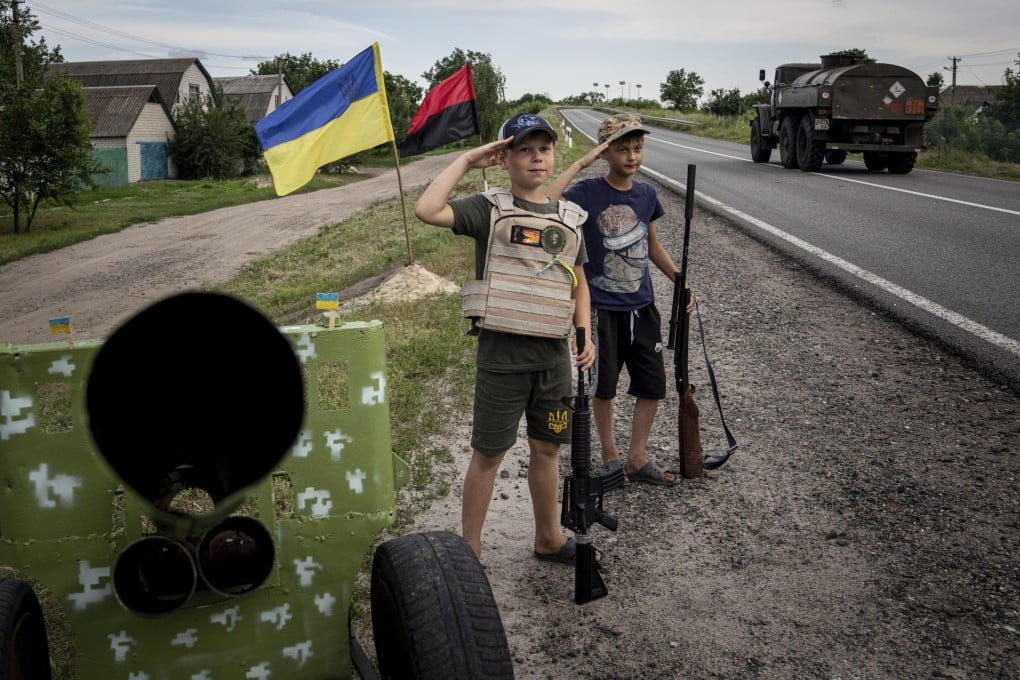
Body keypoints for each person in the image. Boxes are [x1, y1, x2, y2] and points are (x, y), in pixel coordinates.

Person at [413, 112, 598, 563]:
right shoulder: (488, 208)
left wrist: (584, 333)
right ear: (505, 159)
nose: (537, 157)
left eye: (545, 149)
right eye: (524, 149)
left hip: (553, 362)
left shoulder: (570, 218)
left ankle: (548, 538)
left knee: (548, 448)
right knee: (489, 456)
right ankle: (469, 552)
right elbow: (427, 209)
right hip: (501, 362)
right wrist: (467, 159)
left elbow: (578, 280)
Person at [547, 113, 695, 487]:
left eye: (638, 148)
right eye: (623, 149)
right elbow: (547, 199)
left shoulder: (647, 195)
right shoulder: (587, 193)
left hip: (642, 306)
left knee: (652, 384)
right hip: (600, 309)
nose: (632, 156)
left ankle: (637, 458)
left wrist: (681, 284)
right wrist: (581, 163)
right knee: (603, 386)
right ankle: (611, 457)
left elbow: (653, 247)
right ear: (605, 152)